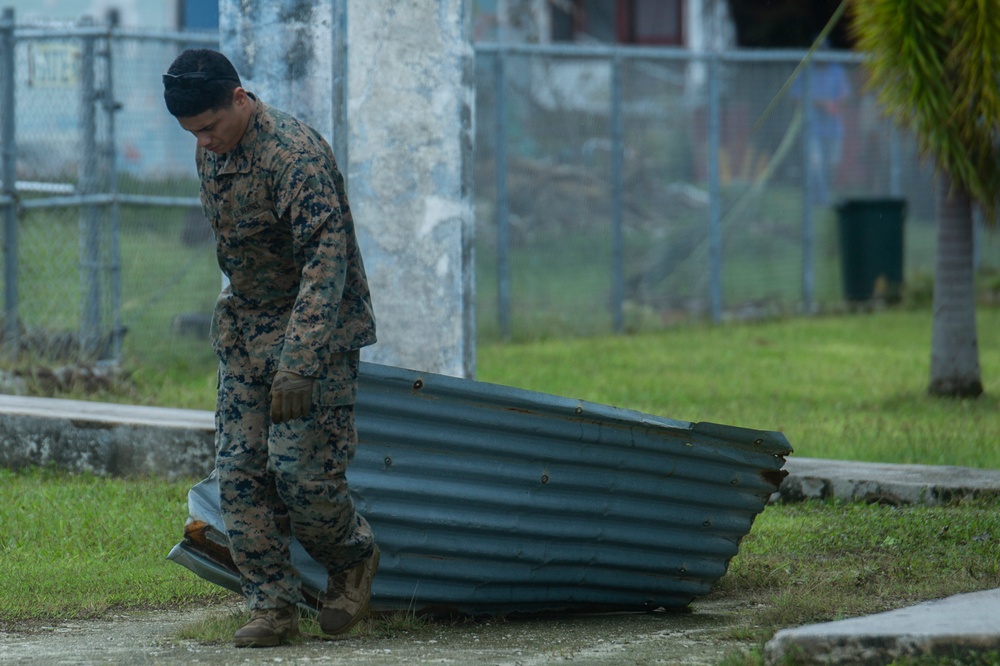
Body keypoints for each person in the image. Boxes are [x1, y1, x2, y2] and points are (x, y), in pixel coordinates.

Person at [163, 48, 379, 648]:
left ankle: (353, 558)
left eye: (210, 127)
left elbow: (325, 262)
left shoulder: (293, 155)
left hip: (315, 334)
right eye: (192, 134)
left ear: (240, 98)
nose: (204, 143)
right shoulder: (215, 149)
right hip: (247, 331)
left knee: (301, 477)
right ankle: (273, 608)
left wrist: (299, 363)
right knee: (239, 476)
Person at [793, 41, 851, 206]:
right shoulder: (806, 71)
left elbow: (846, 96)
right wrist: (820, 104)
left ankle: (822, 197)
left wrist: (834, 104)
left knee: (831, 165)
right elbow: (796, 98)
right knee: (815, 164)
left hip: (834, 129)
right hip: (813, 129)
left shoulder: (837, 71)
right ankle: (822, 201)